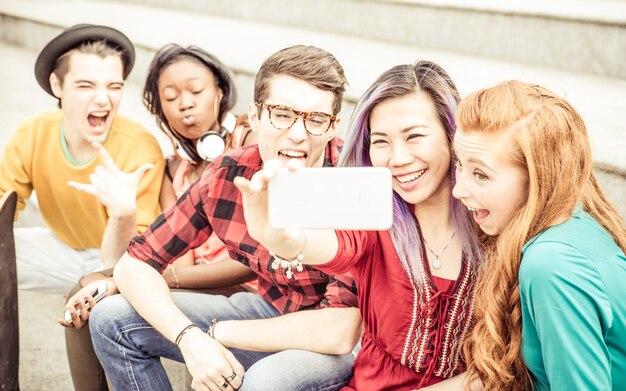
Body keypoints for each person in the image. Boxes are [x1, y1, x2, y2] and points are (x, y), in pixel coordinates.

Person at [89, 45, 360, 391]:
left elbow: (339, 331)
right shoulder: (227, 174)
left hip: (337, 346)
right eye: (282, 114)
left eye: (316, 118)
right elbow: (134, 262)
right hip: (270, 309)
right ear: (256, 115)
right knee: (111, 319)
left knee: (265, 381)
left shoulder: (352, 183)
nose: (297, 133)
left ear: (333, 125)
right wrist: (190, 338)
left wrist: (216, 334)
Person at [235, 61, 482, 390]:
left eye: (415, 137)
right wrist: (280, 238)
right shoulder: (374, 213)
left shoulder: (491, 223)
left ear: (452, 136)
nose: (398, 158)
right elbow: (335, 246)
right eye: (381, 141)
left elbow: (499, 370)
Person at [60, 44, 258, 391]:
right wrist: (135, 275)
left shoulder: (250, 143)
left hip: (246, 288)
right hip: (199, 282)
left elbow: (254, 263)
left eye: (196, 91)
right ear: (160, 108)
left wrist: (154, 280)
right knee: (88, 287)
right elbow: (171, 252)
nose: (185, 103)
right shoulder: (175, 169)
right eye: (170, 97)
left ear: (220, 92)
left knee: (109, 292)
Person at [451, 80, 626, 390]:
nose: (458, 189)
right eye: (459, 165)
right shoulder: (574, 220)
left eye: (480, 174)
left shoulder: (551, 265)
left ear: (538, 179)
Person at [0, 24, 164, 293]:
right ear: (57, 85)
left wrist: (123, 215)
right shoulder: (34, 132)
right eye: (86, 85)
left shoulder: (140, 149)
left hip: (117, 263)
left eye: (114, 86)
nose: (102, 99)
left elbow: (139, 257)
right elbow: (4, 200)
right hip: (60, 248)